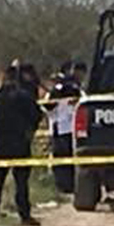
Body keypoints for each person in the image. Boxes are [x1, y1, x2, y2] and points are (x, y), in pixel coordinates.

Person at [0, 63, 43, 225]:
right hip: (20, 144)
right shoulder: (24, 96)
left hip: (0, 144)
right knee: (21, 182)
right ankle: (24, 215)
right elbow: (37, 115)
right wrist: (29, 130)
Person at [47, 61, 83, 194]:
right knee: (65, 160)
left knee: (63, 160)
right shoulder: (75, 91)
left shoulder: (59, 92)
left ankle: (66, 185)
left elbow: (48, 108)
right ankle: (67, 185)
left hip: (63, 129)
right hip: (66, 129)